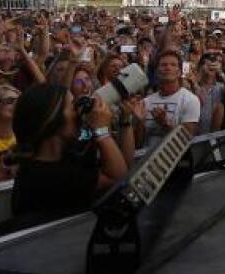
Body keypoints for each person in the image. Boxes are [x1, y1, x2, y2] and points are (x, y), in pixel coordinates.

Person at [10, 82, 134, 220]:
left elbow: (123, 165)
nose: (77, 112)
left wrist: (123, 120)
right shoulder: (47, 177)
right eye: (72, 107)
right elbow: (118, 179)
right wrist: (102, 131)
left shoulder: (59, 158)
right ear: (53, 120)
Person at [140, 49, 202, 148]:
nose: (168, 67)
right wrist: (139, 122)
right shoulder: (146, 101)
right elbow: (138, 142)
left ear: (179, 72)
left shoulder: (190, 100)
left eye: (173, 65)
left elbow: (187, 139)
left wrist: (165, 124)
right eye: (163, 65)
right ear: (157, 71)